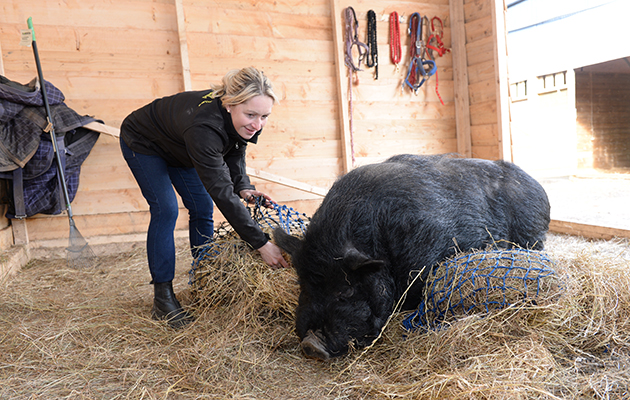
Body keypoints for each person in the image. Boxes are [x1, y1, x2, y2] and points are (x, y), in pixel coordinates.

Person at [119, 67, 289, 328]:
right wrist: (261, 243)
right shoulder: (205, 129)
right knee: (166, 210)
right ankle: (163, 299)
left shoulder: (247, 119)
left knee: (201, 208)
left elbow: (235, 149)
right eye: (251, 115)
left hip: (181, 146)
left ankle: (204, 282)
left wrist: (243, 186)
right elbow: (221, 192)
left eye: (264, 116)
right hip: (145, 143)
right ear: (230, 104)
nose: (257, 125)